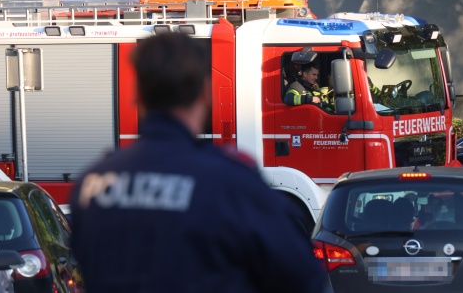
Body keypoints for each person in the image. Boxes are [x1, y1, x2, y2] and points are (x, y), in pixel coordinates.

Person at [70, 32, 328, 293]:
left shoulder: (91, 184)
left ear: (136, 95)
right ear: (206, 93)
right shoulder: (231, 182)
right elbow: (303, 278)